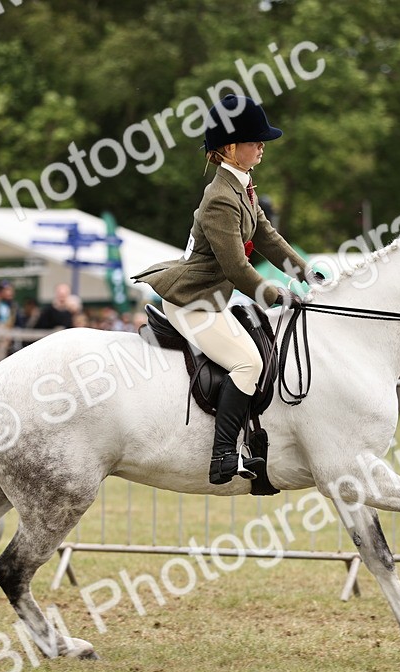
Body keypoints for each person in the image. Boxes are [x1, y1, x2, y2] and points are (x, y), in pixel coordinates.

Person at [132, 94, 307, 485]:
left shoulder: (242, 187)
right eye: (254, 141)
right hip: (191, 301)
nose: (262, 146)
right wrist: (281, 295)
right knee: (250, 364)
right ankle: (223, 455)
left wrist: (306, 274)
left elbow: (267, 236)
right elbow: (238, 270)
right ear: (230, 148)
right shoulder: (220, 198)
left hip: (211, 299)